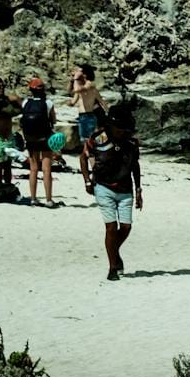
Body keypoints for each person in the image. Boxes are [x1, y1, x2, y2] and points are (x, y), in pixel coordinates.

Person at [84, 105, 141, 280]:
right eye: (121, 128)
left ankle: (114, 253)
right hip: (103, 187)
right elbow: (83, 157)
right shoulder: (98, 139)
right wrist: (87, 180)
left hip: (125, 189)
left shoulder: (131, 143)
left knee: (126, 227)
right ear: (111, 126)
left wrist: (139, 189)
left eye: (127, 129)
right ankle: (112, 268)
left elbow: (135, 166)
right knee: (111, 227)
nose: (124, 132)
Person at [19, 77, 57, 205]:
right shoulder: (48, 103)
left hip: (30, 139)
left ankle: (33, 198)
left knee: (33, 169)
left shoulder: (25, 103)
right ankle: (48, 199)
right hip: (45, 138)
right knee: (46, 169)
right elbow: (53, 120)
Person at [70, 65, 104, 167]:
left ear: (84, 74)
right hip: (83, 117)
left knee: (90, 144)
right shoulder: (82, 86)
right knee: (86, 144)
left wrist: (75, 78)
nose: (76, 72)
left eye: (79, 71)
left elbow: (76, 90)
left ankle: (95, 167)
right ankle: (92, 167)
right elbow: (73, 95)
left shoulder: (89, 84)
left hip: (88, 117)